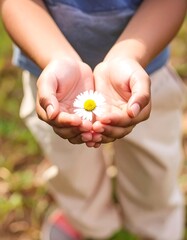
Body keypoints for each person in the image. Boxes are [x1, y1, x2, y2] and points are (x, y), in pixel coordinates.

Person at [0, 0, 187, 239]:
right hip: (54, 83)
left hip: (145, 76)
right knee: (72, 168)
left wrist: (128, 56)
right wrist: (56, 58)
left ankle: (155, 225)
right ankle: (87, 221)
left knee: (153, 170)